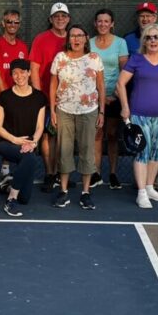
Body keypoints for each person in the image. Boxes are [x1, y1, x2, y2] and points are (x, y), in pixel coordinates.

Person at [117, 23, 158, 207]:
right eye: (148, 37)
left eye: (156, 37)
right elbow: (121, 84)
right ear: (143, 41)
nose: (153, 40)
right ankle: (141, 192)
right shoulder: (136, 59)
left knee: (156, 152)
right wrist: (125, 107)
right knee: (142, 152)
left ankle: (150, 187)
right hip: (139, 114)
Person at [49, 24, 104, 210]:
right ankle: (63, 192)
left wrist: (102, 111)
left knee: (87, 151)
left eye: (80, 35)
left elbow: (101, 87)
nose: (76, 39)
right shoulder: (60, 58)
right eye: (73, 36)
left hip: (88, 111)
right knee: (64, 150)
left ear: (86, 38)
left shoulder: (94, 59)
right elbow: (52, 85)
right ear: (68, 39)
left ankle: (85, 193)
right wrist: (52, 110)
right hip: (64, 110)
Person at [0, 59, 47, 217]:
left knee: (25, 199)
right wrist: (15, 140)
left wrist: (33, 142)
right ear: (11, 76)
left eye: (23, 72)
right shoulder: (4, 97)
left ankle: (9, 185)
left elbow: (39, 126)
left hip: (28, 144)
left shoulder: (39, 97)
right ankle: (11, 199)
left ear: (29, 73)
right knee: (30, 159)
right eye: (15, 73)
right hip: (6, 143)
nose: (19, 76)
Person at [0, 9, 28, 188]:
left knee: (12, 137)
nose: (12, 25)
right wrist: (9, 99)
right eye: (9, 22)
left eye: (15, 22)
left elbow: (25, 74)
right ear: (3, 23)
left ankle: (5, 171)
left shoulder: (23, 47)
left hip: (17, 102)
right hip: (0, 102)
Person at [30, 2, 70, 191]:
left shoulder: (74, 38)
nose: (60, 19)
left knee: (65, 137)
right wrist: (40, 96)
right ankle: (49, 174)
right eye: (57, 16)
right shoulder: (41, 39)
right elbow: (35, 69)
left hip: (69, 99)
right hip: (46, 96)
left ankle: (62, 174)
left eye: (63, 16)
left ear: (68, 19)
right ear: (50, 19)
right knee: (47, 136)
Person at [89, 8, 128, 189]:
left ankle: (112, 174)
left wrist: (113, 95)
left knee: (112, 135)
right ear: (95, 24)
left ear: (112, 24)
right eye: (100, 21)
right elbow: (86, 72)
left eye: (106, 21)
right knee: (97, 135)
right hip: (94, 98)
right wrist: (99, 97)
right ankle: (96, 173)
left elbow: (125, 71)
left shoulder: (120, 43)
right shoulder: (88, 44)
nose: (103, 24)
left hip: (115, 97)